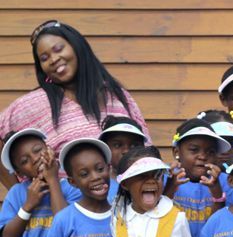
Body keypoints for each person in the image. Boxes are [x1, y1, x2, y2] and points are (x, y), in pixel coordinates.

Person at [1, 20, 150, 189]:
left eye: (58, 49)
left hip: (125, 208)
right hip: (65, 210)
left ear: (77, 47)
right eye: (44, 58)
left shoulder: (117, 96)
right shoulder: (33, 104)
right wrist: (18, 192)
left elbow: (146, 153)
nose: (53, 59)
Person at [164, 118, 232, 237]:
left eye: (210, 151)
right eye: (194, 150)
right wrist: (170, 187)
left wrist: (216, 191)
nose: (203, 156)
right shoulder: (165, 178)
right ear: (176, 152)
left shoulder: (227, 182)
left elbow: (221, 227)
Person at [98, 115, 148, 202]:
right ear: (105, 149)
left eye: (134, 145)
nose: (126, 151)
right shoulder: (96, 185)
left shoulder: (157, 179)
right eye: (117, 145)